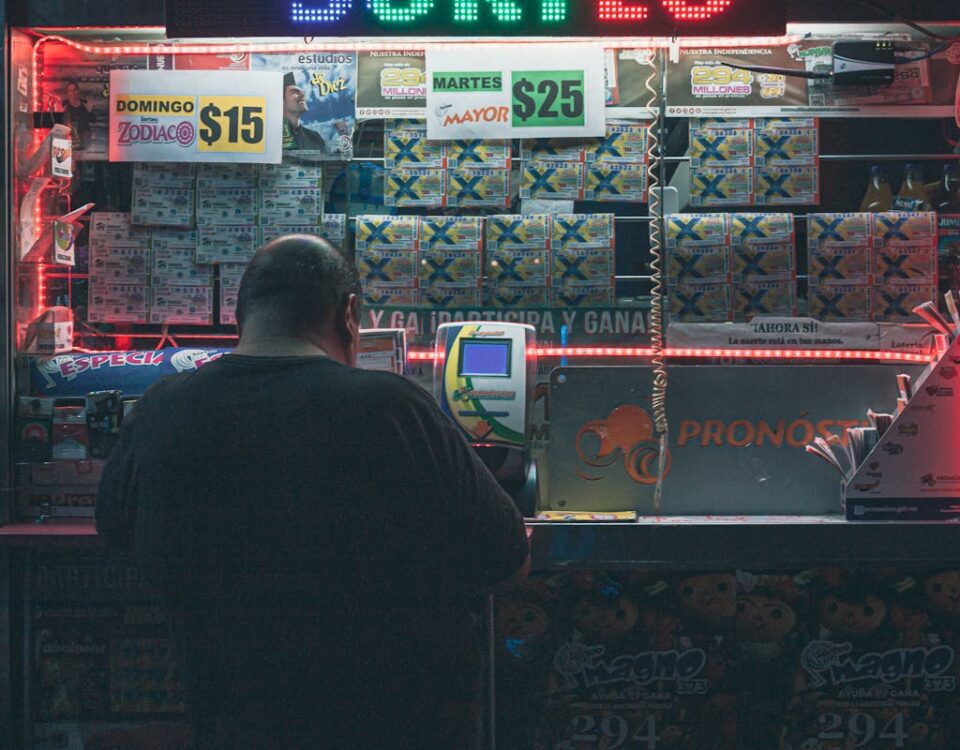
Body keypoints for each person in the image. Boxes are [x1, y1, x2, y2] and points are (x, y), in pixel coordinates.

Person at [96, 235, 529, 750]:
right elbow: (508, 557)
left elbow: (116, 531)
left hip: (236, 725)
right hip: (400, 724)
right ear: (350, 315)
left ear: (241, 317)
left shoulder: (162, 409)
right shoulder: (391, 409)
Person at [282, 72, 329, 152]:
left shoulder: (315, 137)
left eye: (302, 92)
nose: (303, 95)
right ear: (281, 100)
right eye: (295, 92)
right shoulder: (272, 136)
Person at [62, 79, 93, 151]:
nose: (73, 93)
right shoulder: (63, 105)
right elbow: (59, 124)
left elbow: (93, 120)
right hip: (70, 139)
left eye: (75, 90)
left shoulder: (85, 103)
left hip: (84, 140)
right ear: (67, 92)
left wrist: (89, 110)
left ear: (78, 91)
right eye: (70, 90)